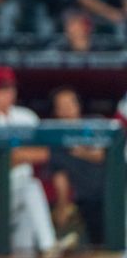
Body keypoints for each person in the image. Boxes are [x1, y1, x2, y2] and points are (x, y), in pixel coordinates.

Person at [0, 66, 76, 258]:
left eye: (11, 88)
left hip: (20, 195)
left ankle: (49, 246)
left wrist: (14, 155)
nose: (8, 93)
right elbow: (2, 160)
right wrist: (17, 155)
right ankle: (49, 244)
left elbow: (45, 153)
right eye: (2, 88)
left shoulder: (25, 116)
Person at [48, 86, 105, 245]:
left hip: (112, 193)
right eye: (62, 106)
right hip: (85, 201)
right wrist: (62, 206)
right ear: (56, 112)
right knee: (94, 242)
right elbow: (60, 178)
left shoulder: (96, 124)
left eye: (70, 104)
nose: (67, 110)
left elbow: (103, 155)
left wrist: (81, 152)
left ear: (78, 106)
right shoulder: (56, 140)